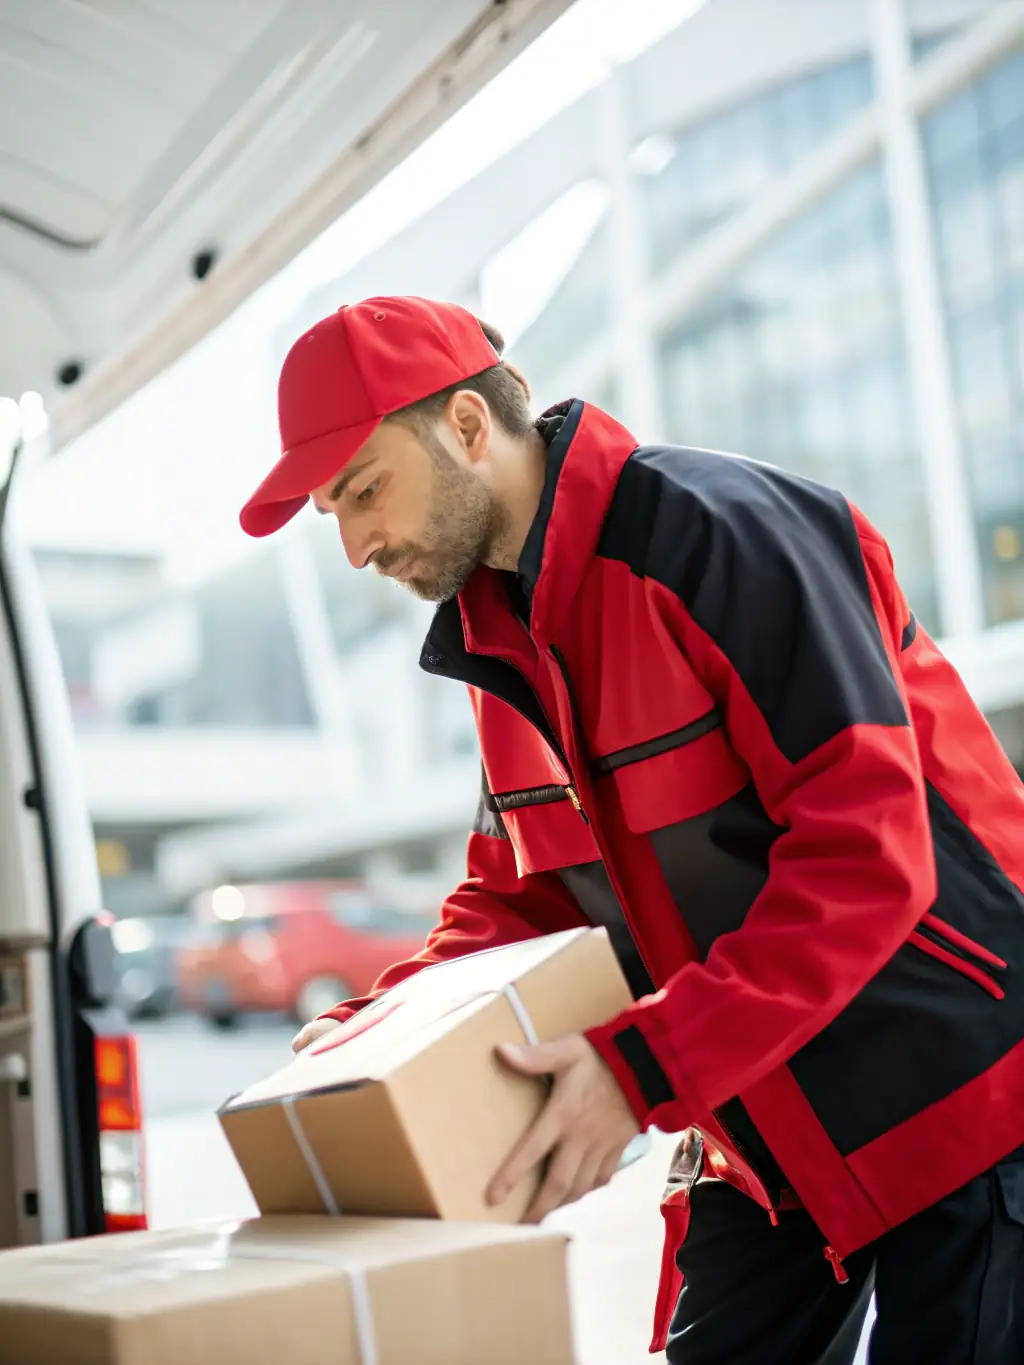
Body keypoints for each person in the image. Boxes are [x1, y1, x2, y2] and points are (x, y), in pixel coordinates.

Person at [241, 295, 1024, 1364]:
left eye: (364, 490)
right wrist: (377, 1026)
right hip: (762, 1134)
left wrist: (639, 1067)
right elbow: (523, 899)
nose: (355, 546)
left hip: (964, 1091)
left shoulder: (720, 534)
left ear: (467, 425)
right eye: (332, 511)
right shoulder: (501, 646)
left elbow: (868, 854)